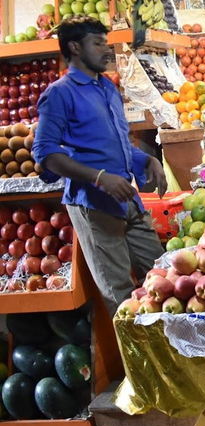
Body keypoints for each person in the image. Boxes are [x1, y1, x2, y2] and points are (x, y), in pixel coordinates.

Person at [32, 16, 167, 317]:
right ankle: (136, 364)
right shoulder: (60, 93)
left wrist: (147, 159)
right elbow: (45, 153)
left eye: (106, 43)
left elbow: (117, 144)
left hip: (126, 199)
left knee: (161, 276)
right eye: (98, 43)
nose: (107, 50)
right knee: (121, 296)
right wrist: (99, 178)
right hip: (94, 207)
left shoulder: (106, 88)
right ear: (75, 47)